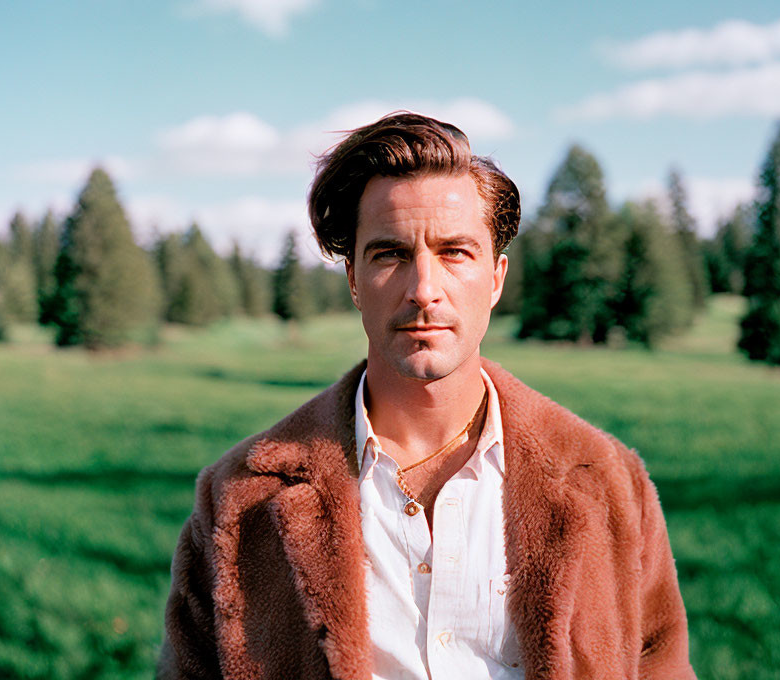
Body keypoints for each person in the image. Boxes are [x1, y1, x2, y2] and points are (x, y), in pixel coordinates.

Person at [158, 112, 696, 680]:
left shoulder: (610, 483)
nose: (423, 290)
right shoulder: (239, 499)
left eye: (454, 252)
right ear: (353, 282)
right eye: (389, 254)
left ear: (496, 279)